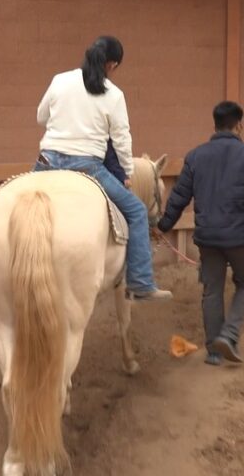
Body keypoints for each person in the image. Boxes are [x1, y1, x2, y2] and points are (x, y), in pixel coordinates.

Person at [34, 36, 172, 301]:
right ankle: (141, 282)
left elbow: (41, 117)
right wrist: (128, 173)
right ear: (112, 65)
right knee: (137, 212)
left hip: (47, 162)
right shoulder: (114, 94)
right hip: (87, 167)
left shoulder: (60, 80)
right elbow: (122, 139)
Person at [156, 101, 244, 364]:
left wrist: (163, 226)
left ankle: (214, 352)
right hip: (243, 237)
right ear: (239, 125)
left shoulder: (195, 157)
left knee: (211, 290)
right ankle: (229, 334)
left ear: (214, 125)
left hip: (209, 238)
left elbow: (179, 197)